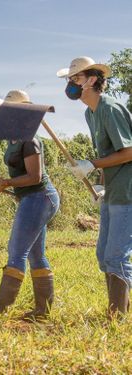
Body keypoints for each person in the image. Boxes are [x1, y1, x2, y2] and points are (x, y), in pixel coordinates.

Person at [59, 56, 132, 316]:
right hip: (112, 190)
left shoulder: (110, 108)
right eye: (69, 80)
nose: (71, 84)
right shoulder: (91, 113)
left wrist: (92, 164)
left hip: (128, 192)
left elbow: (129, 151)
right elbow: (107, 153)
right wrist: (101, 185)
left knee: (116, 256)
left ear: (91, 80)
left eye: (75, 79)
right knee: (103, 256)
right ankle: (121, 308)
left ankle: (117, 316)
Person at [0, 90, 60, 319]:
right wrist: (2, 184)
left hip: (40, 197)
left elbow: (34, 177)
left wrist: (5, 182)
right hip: (32, 198)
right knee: (36, 255)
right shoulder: (14, 139)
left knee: (16, 251)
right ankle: (42, 311)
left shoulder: (30, 140)